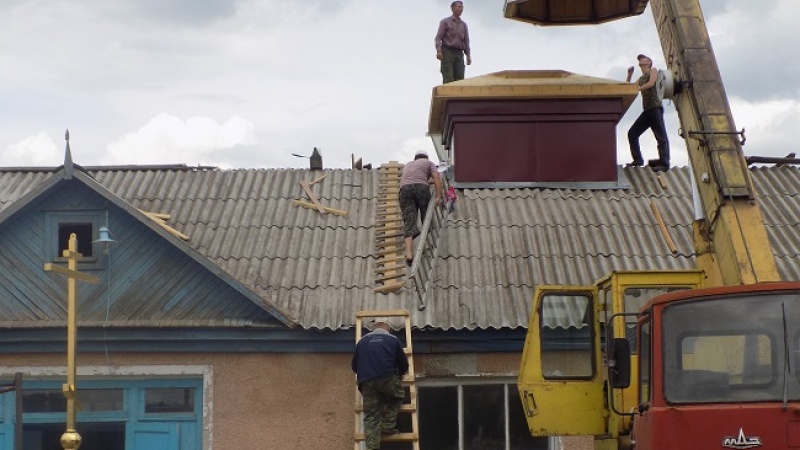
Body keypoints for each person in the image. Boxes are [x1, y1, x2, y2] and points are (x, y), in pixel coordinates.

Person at [352, 319, 410, 450]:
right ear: (388, 328)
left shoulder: (361, 342)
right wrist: (399, 375)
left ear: (374, 328)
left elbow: (354, 366)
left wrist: (366, 375)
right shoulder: (393, 340)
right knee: (398, 396)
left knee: (371, 415)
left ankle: (372, 447)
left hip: (366, 381)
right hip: (386, 378)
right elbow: (403, 363)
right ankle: (388, 425)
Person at [626, 54, 670, 171]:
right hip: (647, 110)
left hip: (655, 108)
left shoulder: (653, 71)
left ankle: (664, 162)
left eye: (643, 59)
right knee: (632, 133)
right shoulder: (641, 78)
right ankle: (638, 159)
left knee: (660, 136)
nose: (640, 60)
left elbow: (651, 83)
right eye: (640, 59)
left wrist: (638, 88)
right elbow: (629, 88)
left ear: (649, 62)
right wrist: (629, 75)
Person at [399, 151, 443, 265]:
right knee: (426, 217)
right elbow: (436, 178)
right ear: (426, 157)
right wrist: (438, 196)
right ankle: (426, 245)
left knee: (409, 220)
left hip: (404, 190)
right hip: (421, 189)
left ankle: (408, 252)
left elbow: (419, 179)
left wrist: (429, 181)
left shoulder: (409, 165)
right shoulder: (429, 163)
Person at [435, 1, 471, 84]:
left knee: (460, 78)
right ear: (452, 8)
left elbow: (466, 41)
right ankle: (448, 96)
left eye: (462, 7)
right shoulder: (445, 22)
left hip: (459, 53)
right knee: (448, 76)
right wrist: (439, 50)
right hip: (447, 51)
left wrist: (468, 55)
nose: (461, 9)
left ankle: (458, 96)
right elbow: (438, 37)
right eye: (459, 7)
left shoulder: (464, 25)